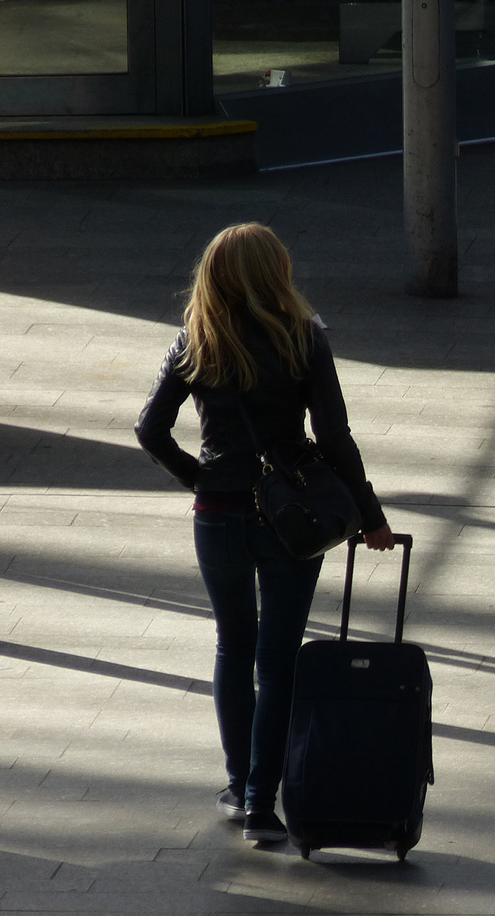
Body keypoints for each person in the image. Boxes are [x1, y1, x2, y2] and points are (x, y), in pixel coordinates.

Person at [136, 223, 394, 844]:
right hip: (290, 516)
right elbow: (334, 437)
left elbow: (150, 428)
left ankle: (234, 782)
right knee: (278, 661)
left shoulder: (195, 342)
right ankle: (261, 803)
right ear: (277, 271)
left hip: (218, 515)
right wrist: (371, 514)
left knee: (233, 644)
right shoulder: (304, 338)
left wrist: (199, 477)